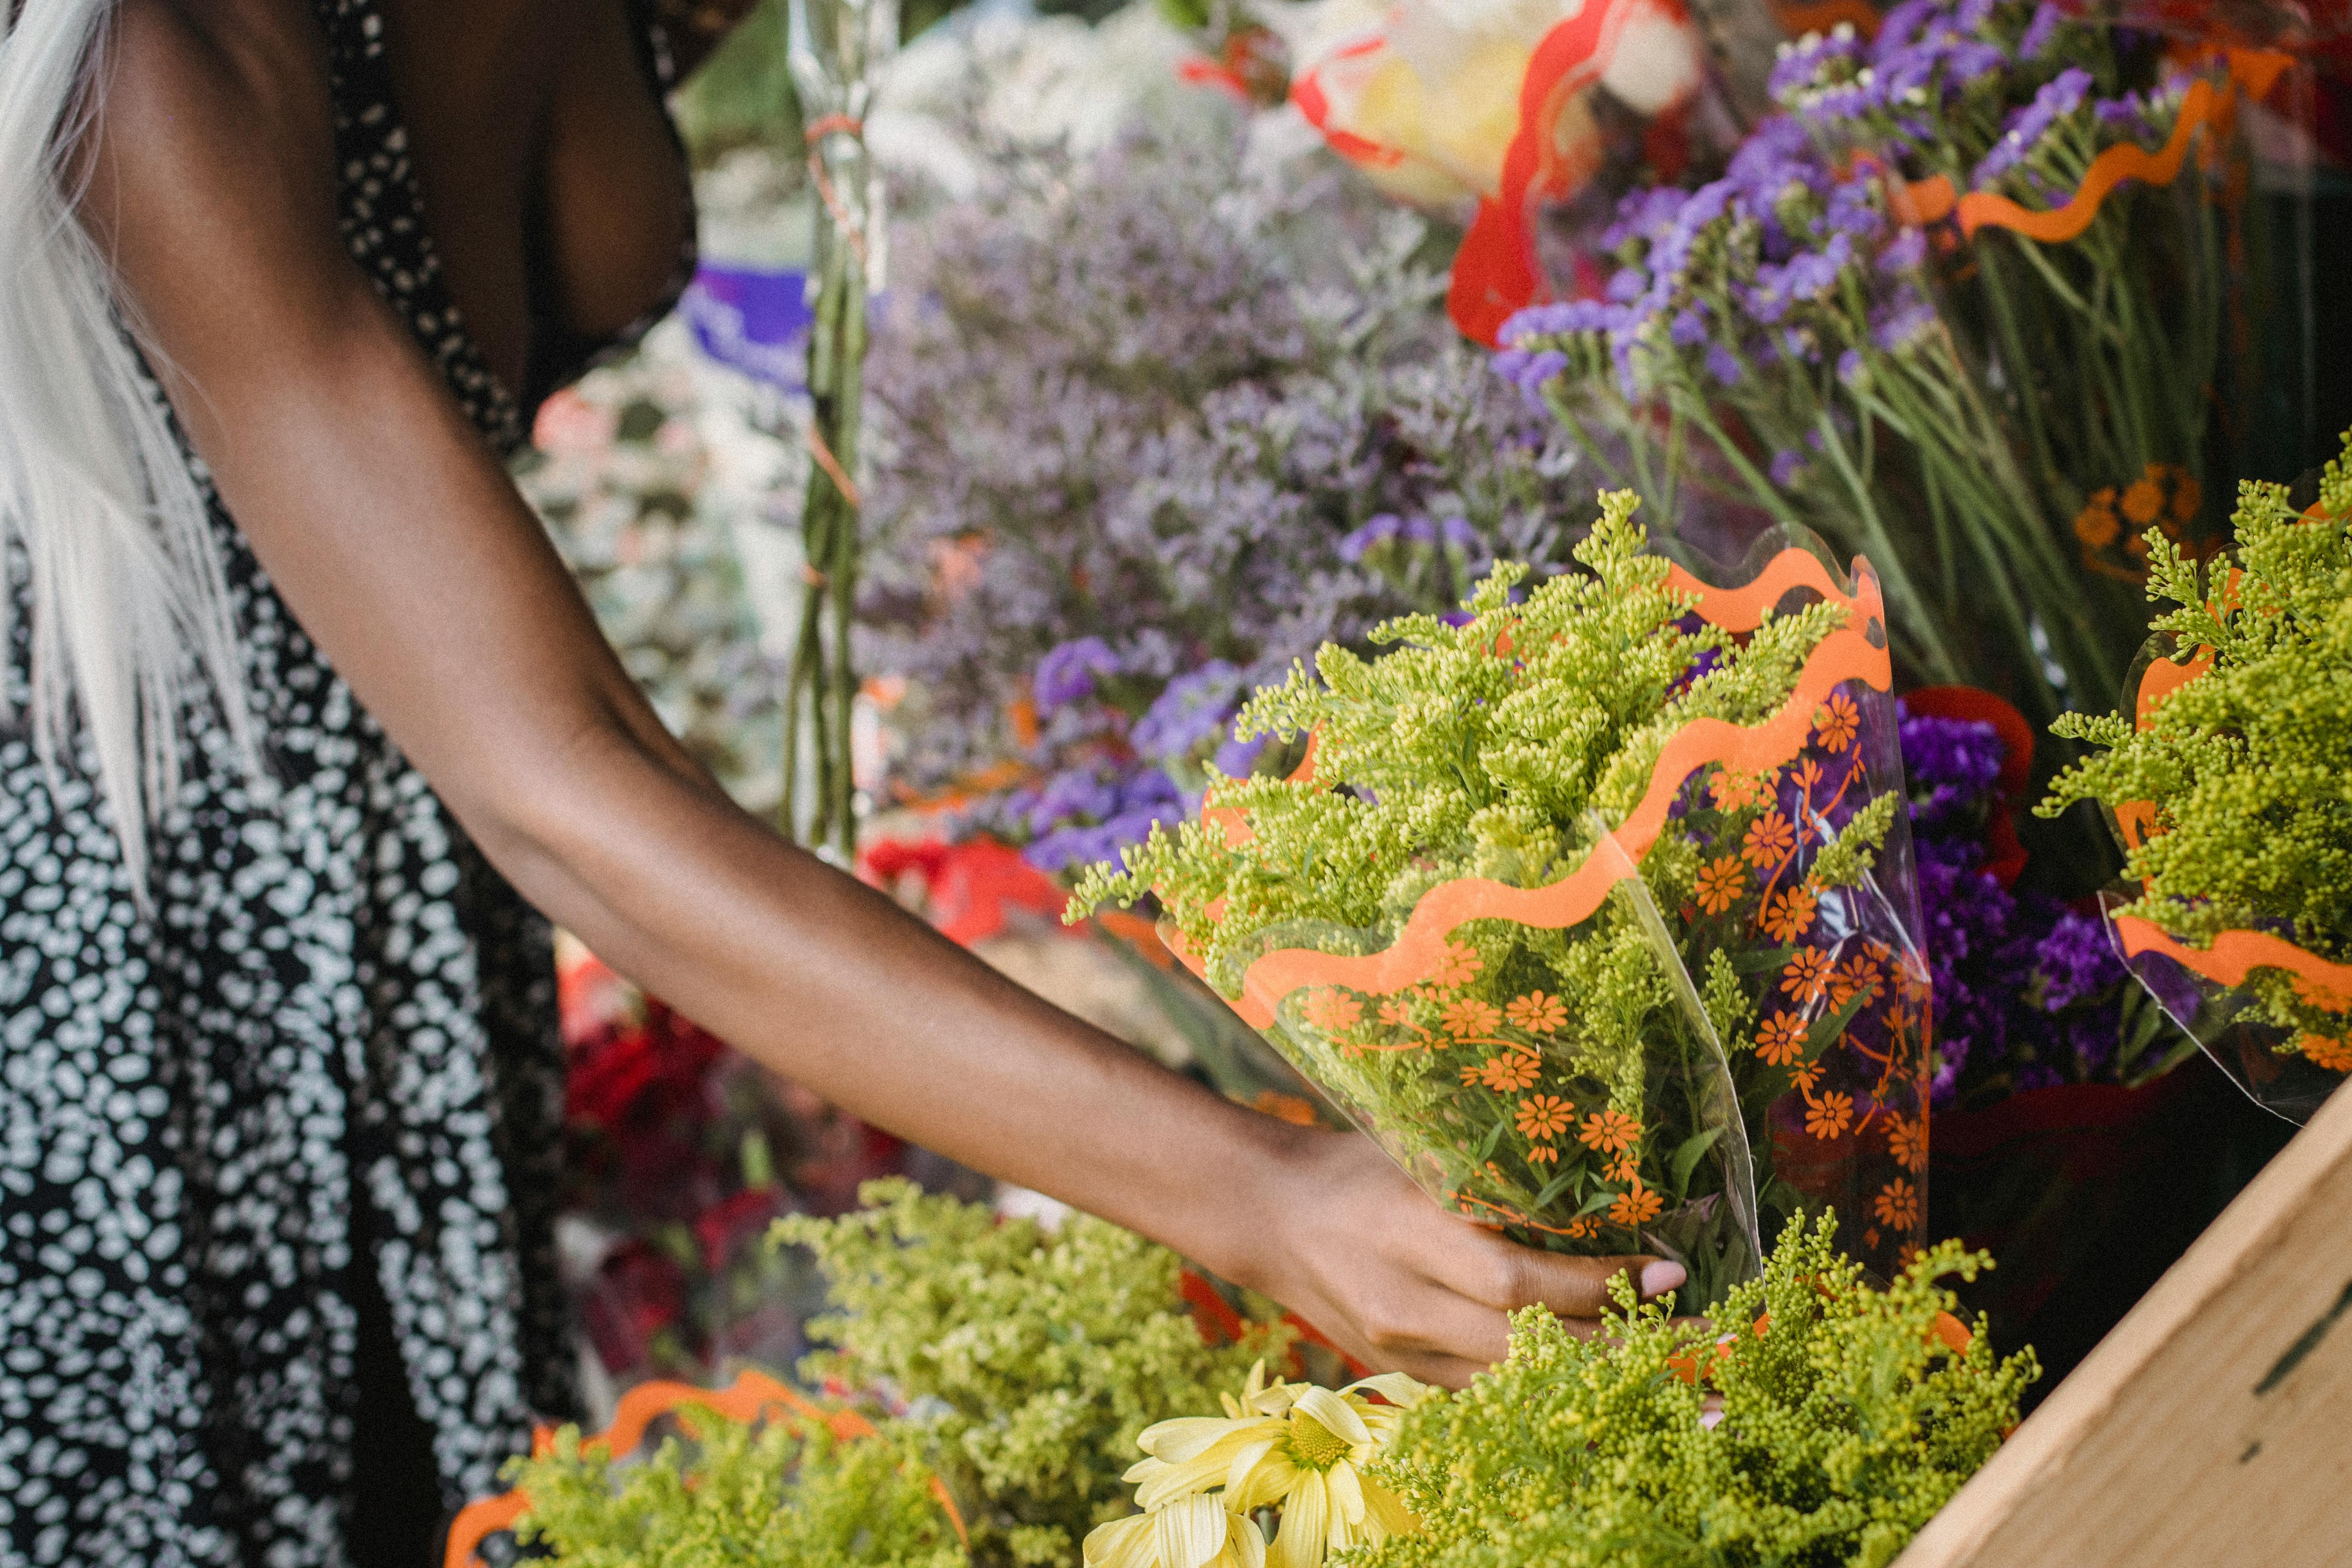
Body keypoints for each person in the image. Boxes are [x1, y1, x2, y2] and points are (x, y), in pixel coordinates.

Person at [0, 1, 1687, 1563]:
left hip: (422, 946)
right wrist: (1256, 1194)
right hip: (156, 1025)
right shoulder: (152, 52)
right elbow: (554, 778)